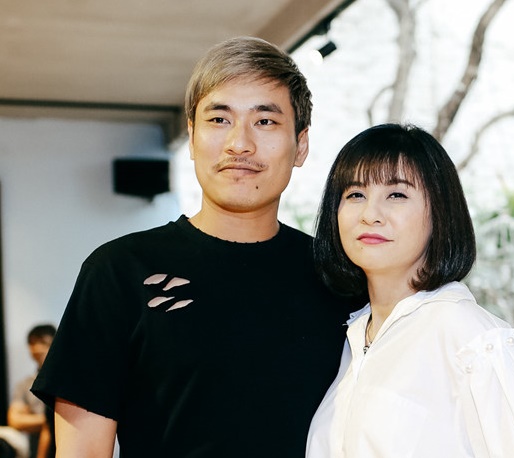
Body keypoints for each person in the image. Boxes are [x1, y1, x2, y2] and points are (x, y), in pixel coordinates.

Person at [31, 36, 357, 457]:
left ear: (302, 145)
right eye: (219, 119)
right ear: (191, 136)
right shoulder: (119, 271)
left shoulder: (338, 278)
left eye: (265, 121)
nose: (239, 144)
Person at [306, 123, 514, 457]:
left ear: (440, 213)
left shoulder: (465, 333)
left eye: (397, 195)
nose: (370, 214)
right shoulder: (356, 335)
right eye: (355, 195)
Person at [7, 325, 55, 458]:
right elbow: (15, 420)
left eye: (43, 342)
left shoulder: (65, 379)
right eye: (33, 343)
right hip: (35, 448)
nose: (37, 348)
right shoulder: (25, 384)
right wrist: (49, 420)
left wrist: (34, 418)